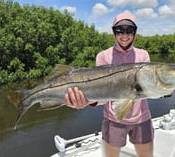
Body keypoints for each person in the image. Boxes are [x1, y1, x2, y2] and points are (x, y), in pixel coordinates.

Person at [64, 12, 154, 157]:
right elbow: (103, 92)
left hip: (142, 118)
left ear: (135, 33)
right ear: (114, 32)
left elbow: (150, 87)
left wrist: (168, 89)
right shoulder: (103, 56)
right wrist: (88, 101)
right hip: (113, 120)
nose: (124, 35)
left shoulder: (143, 55)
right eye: (120, 30)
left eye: (129, 30)